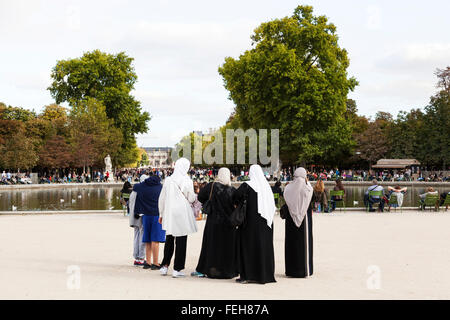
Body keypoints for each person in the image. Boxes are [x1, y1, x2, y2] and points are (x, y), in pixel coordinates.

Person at [191, 167, 238, 279]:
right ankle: (228, 271)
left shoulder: (212, 186)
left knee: (211, 246)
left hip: (214, 222)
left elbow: (201, 196)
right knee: (227, 247)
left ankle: (206, 269)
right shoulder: (233, 190)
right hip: (228, 224)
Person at [233, 164, 276, 284]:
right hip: (266, 224)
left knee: (248, 248)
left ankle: (248, 275)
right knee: (263, 248)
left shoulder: (247, 186)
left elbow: (235, 197)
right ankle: (265, 275)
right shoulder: (267, 187)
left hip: (250, 224)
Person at [158, 158, 198, 278]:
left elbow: (162, 199)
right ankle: (177, 269)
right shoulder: (187, 180)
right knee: (181, 241)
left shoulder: (168, 180)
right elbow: (191, 198)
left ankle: (164, 266)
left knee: (169, 240)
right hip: (182, 213)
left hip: (169, 212)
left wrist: (161, 214)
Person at [281, 167, 314, 278]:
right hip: (305, 221)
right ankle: (304, 269)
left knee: (292, 244)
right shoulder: (308, 189)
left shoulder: (288, 188)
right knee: (304, 244)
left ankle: (292, 270)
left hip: (291, 221)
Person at [132, 173, 166, 270]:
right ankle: (155, 263)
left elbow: (135, 187)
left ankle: (148, 262)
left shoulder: (142, 187)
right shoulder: (160, 187)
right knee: (155, 240)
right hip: (157, 215)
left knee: (147, 240)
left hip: (146, 215)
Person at [128, 174, 148, 267]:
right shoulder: (142, 190)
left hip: (133, 217)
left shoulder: (134, 190)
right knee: (142, 237)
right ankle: (141, 258)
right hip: (139, 216)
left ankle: (136, 257)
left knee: (136, 237)